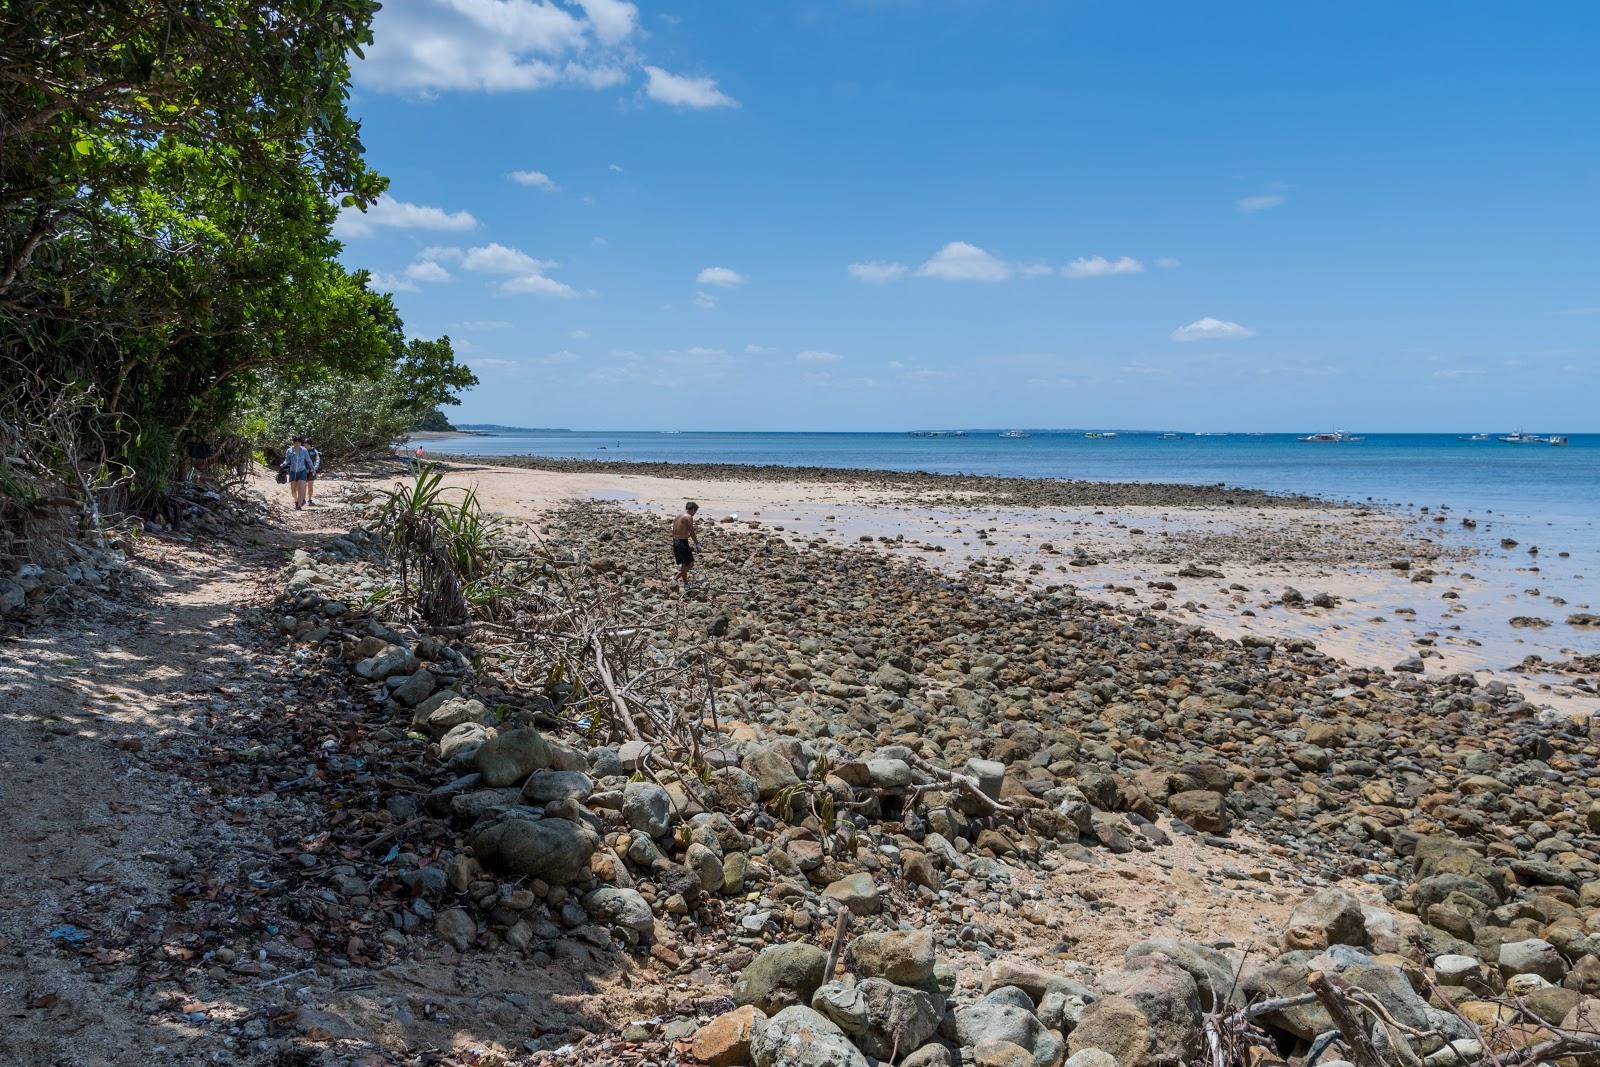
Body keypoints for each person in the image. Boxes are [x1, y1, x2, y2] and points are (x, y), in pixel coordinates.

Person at [671, 501, 700, 590]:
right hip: (682, 542)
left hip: (675, 541)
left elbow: (675, 529)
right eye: (695, 511)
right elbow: (692, 532)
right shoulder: (689, 517)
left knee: (684, 564)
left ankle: (686, 583)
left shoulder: (678, 516)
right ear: (693, 509)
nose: (695, 514)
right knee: (690, 564)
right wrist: (697, 543)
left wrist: (683, 536)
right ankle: (675, 578)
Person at [284, 436, 311, 510]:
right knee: (293, 491)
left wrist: (313, 469)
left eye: (299, 442)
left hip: (302, 471)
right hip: (293, 472)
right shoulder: (289, 450)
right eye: (296, 442)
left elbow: (308, 460)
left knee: (301, 489)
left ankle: (299, 506)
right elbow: (287, 460)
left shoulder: (304, 450)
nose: (298, 443)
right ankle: (296, 501)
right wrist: (283, 464)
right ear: (293, 442)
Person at [304, 441, 323, 506]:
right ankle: (302, 499)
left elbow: (317, 460)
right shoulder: (302, 451)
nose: (305, 445)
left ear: (310, 444)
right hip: (303, 471)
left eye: (306, 444)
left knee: (310, 486)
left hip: (311, 471)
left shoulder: (315, 451)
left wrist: (314, 468)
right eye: (304, 444)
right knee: (302, 486)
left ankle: (309, 499)